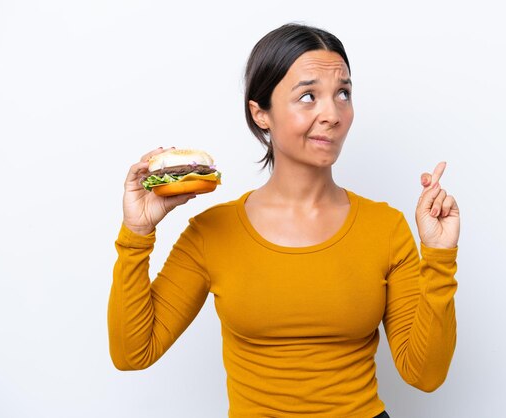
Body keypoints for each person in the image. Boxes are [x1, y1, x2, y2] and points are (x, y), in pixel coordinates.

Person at [108, 23, 460, 418]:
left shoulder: (386, 227)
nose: (333, 114)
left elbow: (425, 374)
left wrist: (439, 256)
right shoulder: (212, 232)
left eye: (343, 94)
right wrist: (137, 235)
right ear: (260, 113)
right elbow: (133, 353)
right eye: (308, 96)